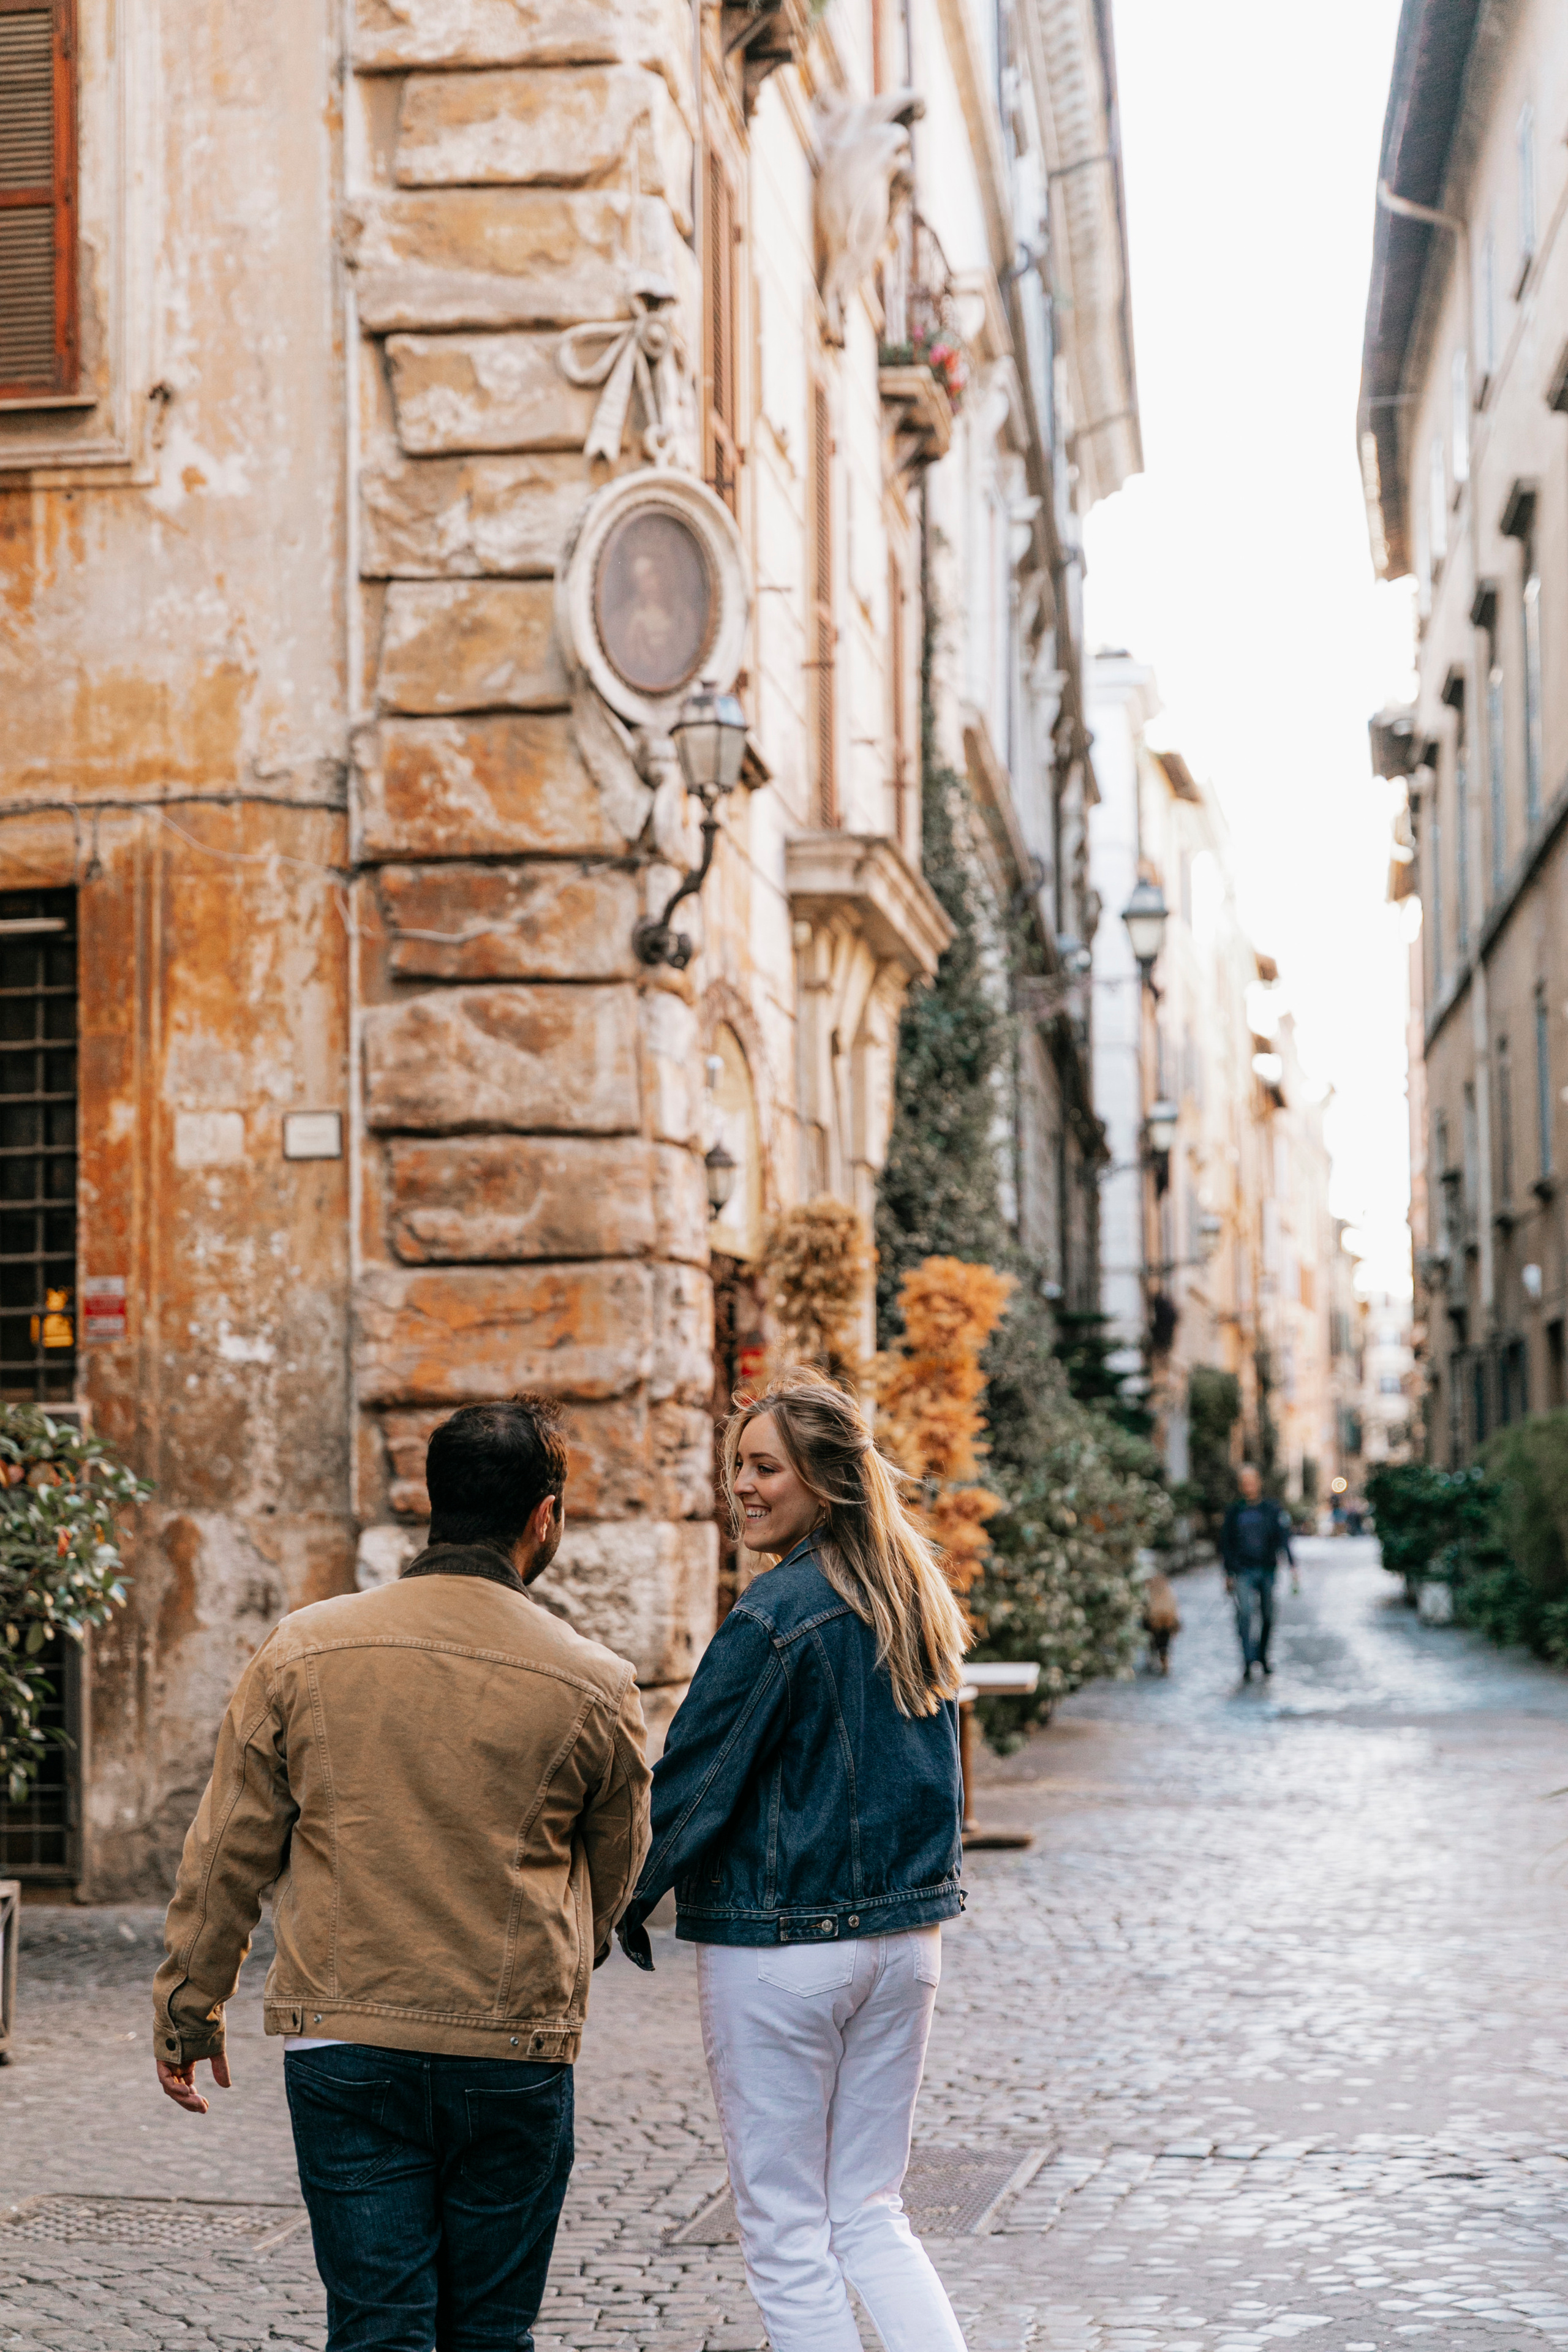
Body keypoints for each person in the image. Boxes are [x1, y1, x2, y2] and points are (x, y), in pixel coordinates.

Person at [151, 1396, 651, 2352]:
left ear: (434, 1502)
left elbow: (226, 1852)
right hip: (511, 2049)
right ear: (544, 1516)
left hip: (345, 2037)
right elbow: (616, 1864)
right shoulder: (595, 1683)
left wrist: (189, 2005)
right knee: (492, 2333)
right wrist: (546, 1968)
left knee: (378, 2328)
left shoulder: (304, 1647)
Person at [616, 1370, 971, 2352]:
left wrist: (618, 1902)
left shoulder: (777, 1613)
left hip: (783, 1952)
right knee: (869, 2211)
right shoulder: (915, 1601)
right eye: (736, 1467)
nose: (742, 1487)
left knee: (784, 2227)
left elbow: (690, 1784)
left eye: (765, 1466)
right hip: (906, 1947)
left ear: (827, 1480)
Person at [1220, 1463, 1295, 1681]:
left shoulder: (1271, 1509)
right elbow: (1226, 1543)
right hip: (1242, 1571)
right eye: (1245, 1483)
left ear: (1259, 1483)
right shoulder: (1234, 1512)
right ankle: (1247, 1659)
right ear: (1241, 1486)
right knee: (1244, 1614)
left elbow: (1283, 1537)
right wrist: (1227, 1573)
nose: (1249, 1486)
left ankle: (1262, 1656)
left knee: (1268, 1615)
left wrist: (1292, 1564)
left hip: (1267, 1570)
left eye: (1252, 1482)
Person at [1141, 1569, 1182, 1674]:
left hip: (1164, 1623)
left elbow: (1174, 1610)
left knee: (1163, 1642)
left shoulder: (1168, 1592)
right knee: (1159, 1641)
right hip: (1156, 1623)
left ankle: (1163, 1660)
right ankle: (1160, 1658)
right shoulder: (1150, 1593)